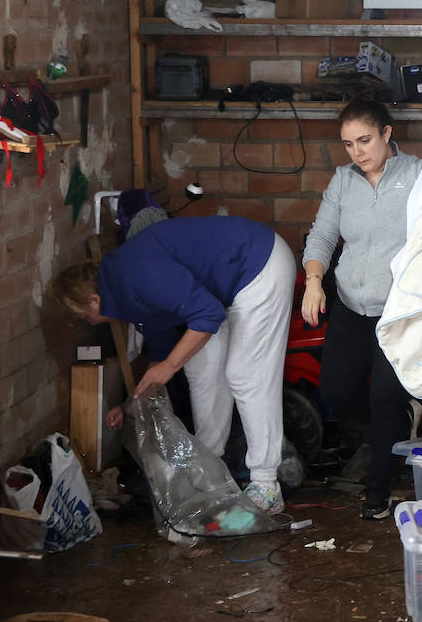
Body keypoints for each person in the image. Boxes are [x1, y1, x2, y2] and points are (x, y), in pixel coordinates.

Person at [301, 101, 422, 520]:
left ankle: (377, 491)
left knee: (383, 397)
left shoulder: (418, 174)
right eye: (348, 144)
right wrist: (313, 280)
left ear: (387, 133)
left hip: (398, 310)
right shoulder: (343, 181)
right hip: (348, 304)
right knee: (336, 392)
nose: (357, 152)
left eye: (364, 140)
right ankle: (398, 422)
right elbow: (323, 234)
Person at [52, 215, 296, 513]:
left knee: (246, 374)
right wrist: (131, 404)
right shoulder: (121, 290)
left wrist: (168, 366)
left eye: (82, 316)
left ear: (92, 301)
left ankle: (266, 483)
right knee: (199, 368)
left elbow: (205, 317)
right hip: (223, 287)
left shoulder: (135, 277)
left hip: (259, 264)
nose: (85, 322)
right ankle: (209, 473)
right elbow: (164, 348)